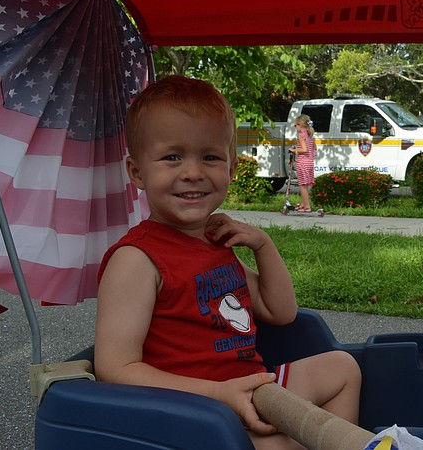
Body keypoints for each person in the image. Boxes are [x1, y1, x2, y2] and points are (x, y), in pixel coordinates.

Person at [95, 76, 361, 450]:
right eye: (172, 156)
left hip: (254, 390)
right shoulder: (136, 259)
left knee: (343, 368)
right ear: (138, 172)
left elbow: (280, 312)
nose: (193, 171)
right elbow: (115, 368)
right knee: (282, 444)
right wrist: (218, 394)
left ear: (232, 168)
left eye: (210, 157)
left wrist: (264, 247)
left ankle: (333, 442)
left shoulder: (216, 242)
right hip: (194, 409)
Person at [289, 114, 316, 212]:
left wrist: (294, 150)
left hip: (303, 162)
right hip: (310, 162)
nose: (295, 127)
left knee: (302, 185)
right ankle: (303, 204)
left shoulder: (301, 136)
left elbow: (304, 149)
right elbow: (313, 149)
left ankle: (307, 207)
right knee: (306, 184)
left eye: (295, 125)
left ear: (300, 125)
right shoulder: (310, 136)